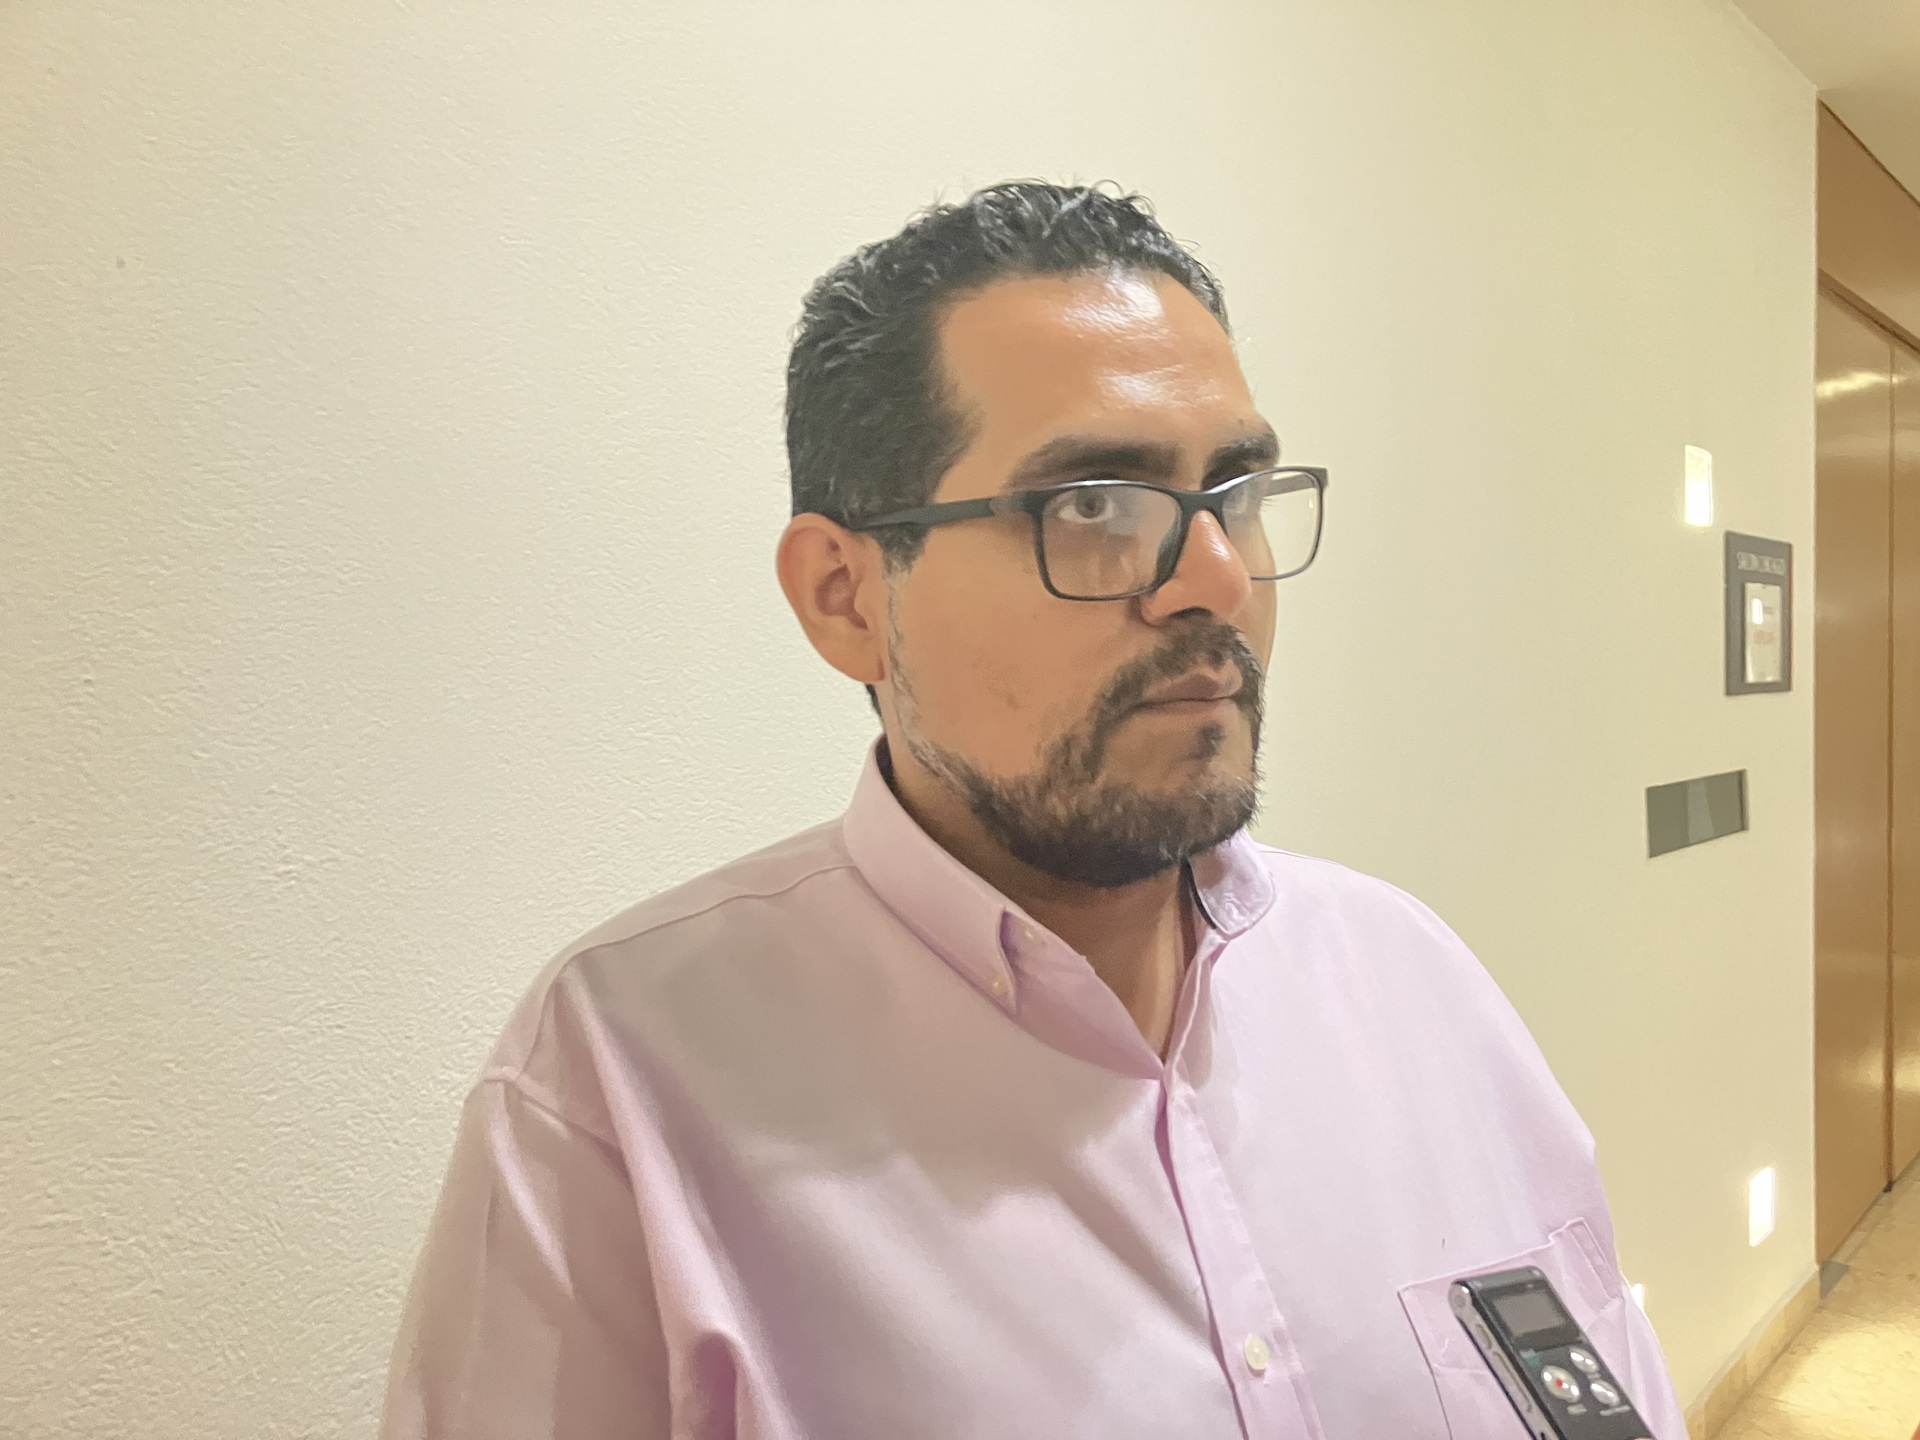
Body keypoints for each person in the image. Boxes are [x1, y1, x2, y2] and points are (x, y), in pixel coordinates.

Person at [381, 182, 1685, 1440]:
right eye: (1094, 507)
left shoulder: (1412, 983)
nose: (1216, 581)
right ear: (845, 596)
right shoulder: (621, 1089)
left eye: (1235, 496)